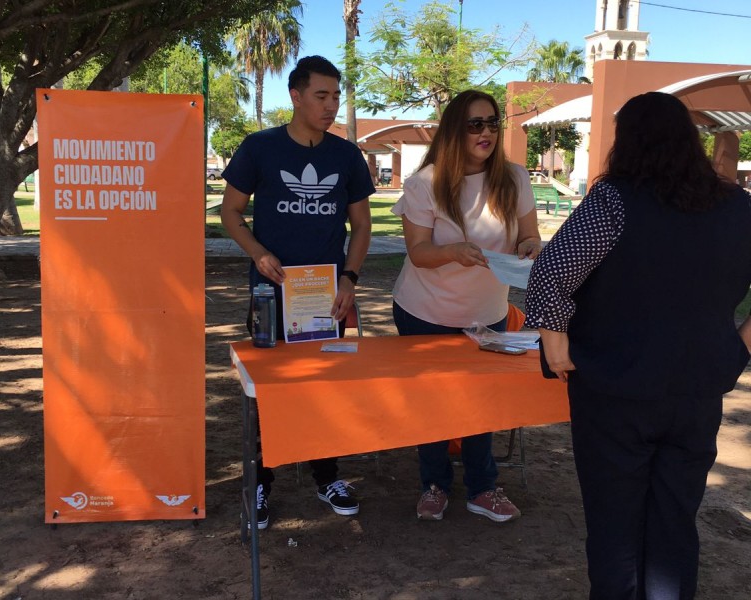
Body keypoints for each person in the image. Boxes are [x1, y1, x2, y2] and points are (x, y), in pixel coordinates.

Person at [525, 92, 751, 599]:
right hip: (696, 390)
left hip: (615, 391)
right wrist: (738, 350)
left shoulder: (614, 201)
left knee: (616, 531)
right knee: (675, 523)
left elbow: (551, 275)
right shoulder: (739, 207)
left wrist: (557, 348)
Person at [221, 56, 374, 530]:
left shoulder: (344, 156)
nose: (331, 106)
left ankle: (326, 475)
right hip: (272, 295)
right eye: (321, 96)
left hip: (326, 297)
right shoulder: (259, 148)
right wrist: (257, 253)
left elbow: (362, 225)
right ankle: (262, 481)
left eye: (335, 97)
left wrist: (349, 278)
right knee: (270, 391)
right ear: (296, 96)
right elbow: (230, 213)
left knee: (325, 387)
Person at [391, 89, 542, 522]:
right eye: (475, 124)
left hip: (487, 313)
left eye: (493, 123)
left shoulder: (514, 178)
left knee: (482, 402)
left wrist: (530, 246)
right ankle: (434, 484)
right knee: (433, 402)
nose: (487, 132)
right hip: (425, 312)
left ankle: (483, 488)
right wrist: (453, 251)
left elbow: (526, 236)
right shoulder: (426, 182)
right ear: (455, 130)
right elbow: (419, 252)